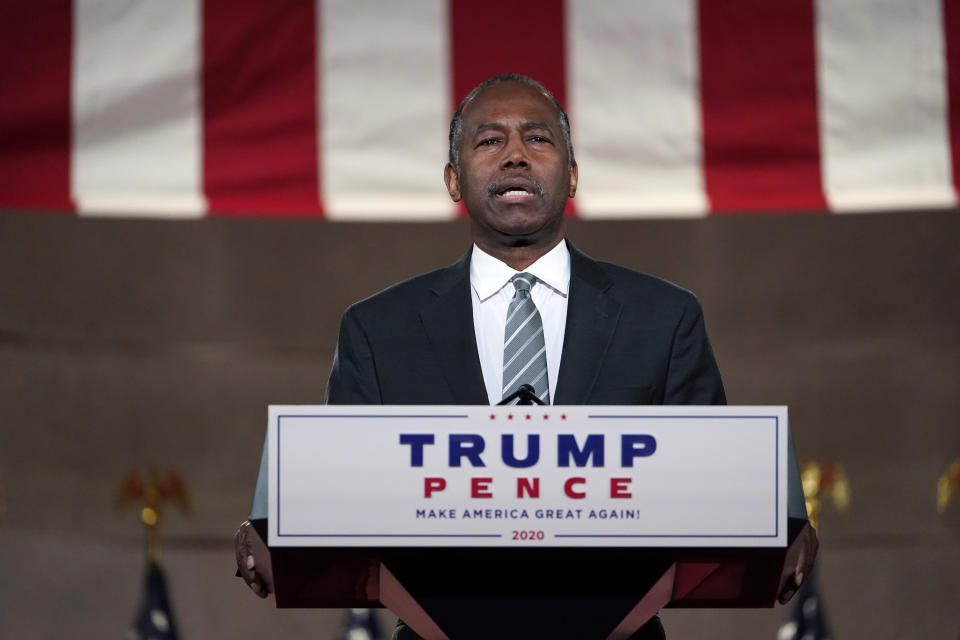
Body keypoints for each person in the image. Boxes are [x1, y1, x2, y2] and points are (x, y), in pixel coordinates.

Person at [235, 73, 818, 639]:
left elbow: (719, 481)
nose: (515, 155)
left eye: (537, 139)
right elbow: (334, 484)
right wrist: (269, 526)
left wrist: (784, 523)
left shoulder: (663, 318)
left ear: (571, 176)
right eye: (490, 141)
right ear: (453, 180)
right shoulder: (378, 328)